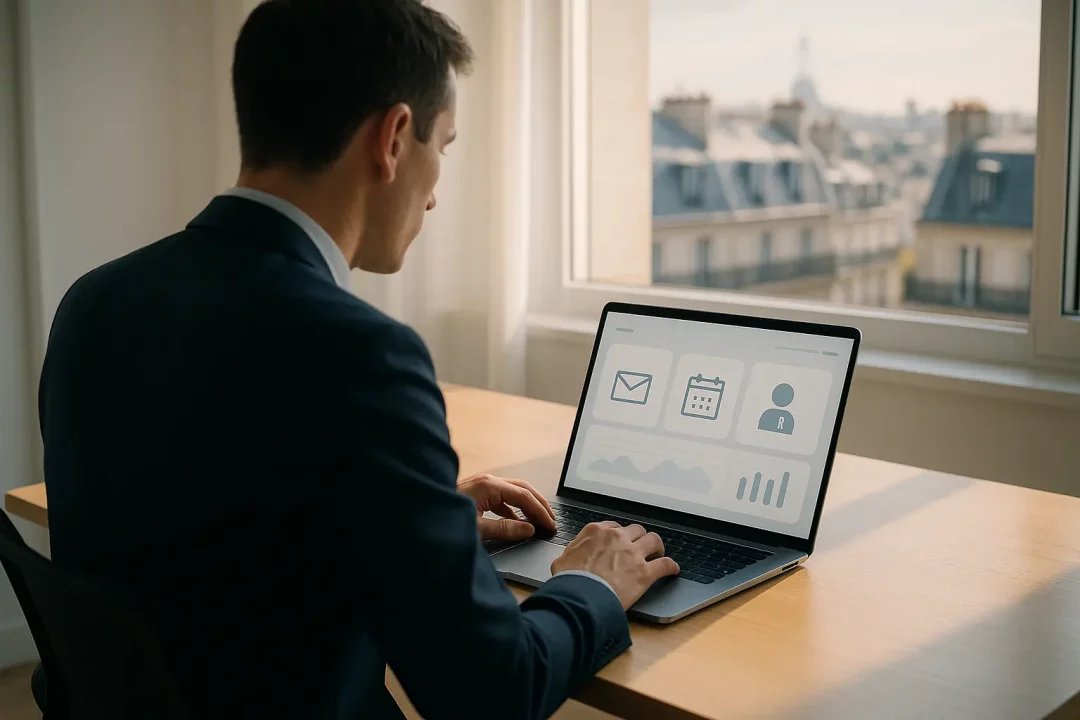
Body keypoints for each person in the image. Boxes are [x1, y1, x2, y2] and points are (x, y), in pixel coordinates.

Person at [36, 1, 679, 718]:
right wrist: (591, 583)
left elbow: (211, 539)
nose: (435, 196)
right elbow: (493, 693)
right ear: (394, 138)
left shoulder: (93, 303)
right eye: (444, 146)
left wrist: (416, 524)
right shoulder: (359, 354)